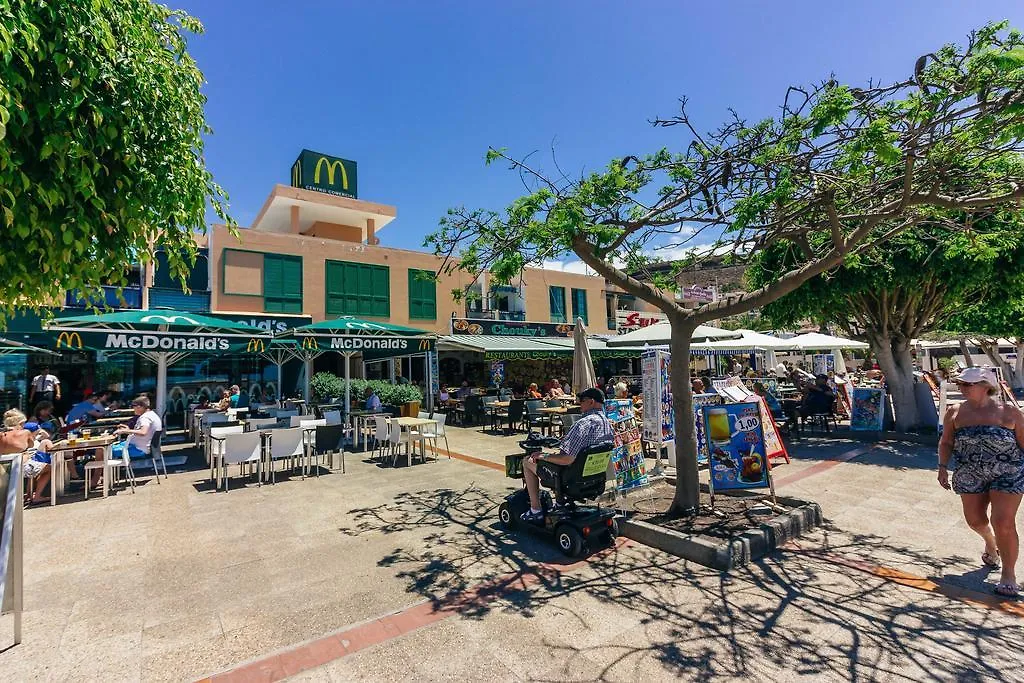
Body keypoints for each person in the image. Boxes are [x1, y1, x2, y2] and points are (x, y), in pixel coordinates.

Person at [938, 367, 1024, 597]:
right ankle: (990, 542)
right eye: (960, 384)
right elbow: (946, 442)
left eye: (967, 384)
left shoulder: (1010, 412)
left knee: (1003, 521)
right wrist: (943, 467)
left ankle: (1008, 575)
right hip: (970, 472)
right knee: (975, 521)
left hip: (1008, 472)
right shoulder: (954, 412)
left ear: (986, 386)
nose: (961, 387)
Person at [520, 388, 615, 521]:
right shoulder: (608, 425)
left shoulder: (583, 424)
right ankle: (559, 504)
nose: (579, 404)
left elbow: (567, 459)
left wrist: (543, 456)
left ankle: (536, 509)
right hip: (594, 478)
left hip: (570, 481)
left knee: (527, 461)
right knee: (556, 458)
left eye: (582, 401)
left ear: (591, 402)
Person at [102, 397, 162, 489]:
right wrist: (128, 429)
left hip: (138, 449)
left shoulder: (145, 418)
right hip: (142, 446)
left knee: (102, 451)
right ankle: (107, 477)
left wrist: (125, 431)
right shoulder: (153, 414)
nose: (133, 409)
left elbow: (143, 432)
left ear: (140, 406)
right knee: (106, 448)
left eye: (133, 406)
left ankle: (100, 479)